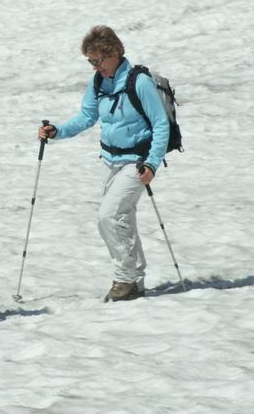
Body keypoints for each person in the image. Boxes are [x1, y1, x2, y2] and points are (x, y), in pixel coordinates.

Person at [39, 25, 169, 302]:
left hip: (137, 162)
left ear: (115, 53)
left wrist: (152, 164)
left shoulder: (139, 82)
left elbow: (160, 124)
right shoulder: (98, 82)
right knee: (122, 219)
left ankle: (125, 279)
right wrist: (58, 131)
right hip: (110, 160)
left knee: (108, 216)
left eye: (99, 60)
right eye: (91, 61)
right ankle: (138, 280)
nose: (95, 66)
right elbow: (87, 117)